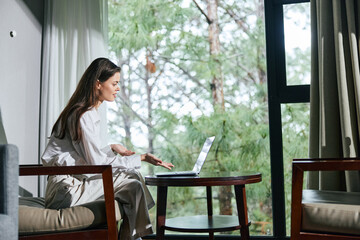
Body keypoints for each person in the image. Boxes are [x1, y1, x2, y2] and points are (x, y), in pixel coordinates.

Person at [41, 57, 174, 240]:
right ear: (98, 84)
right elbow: (97, 163)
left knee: (133, 184)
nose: (117, 88)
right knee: (133, 182)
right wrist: (141, 157)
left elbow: (83, 155)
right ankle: (138, 237)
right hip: (65, 192)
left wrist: (111, 147)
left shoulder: (85, 112)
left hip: (70, 185)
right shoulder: (83, 115)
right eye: (114, 83)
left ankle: (133, 237)